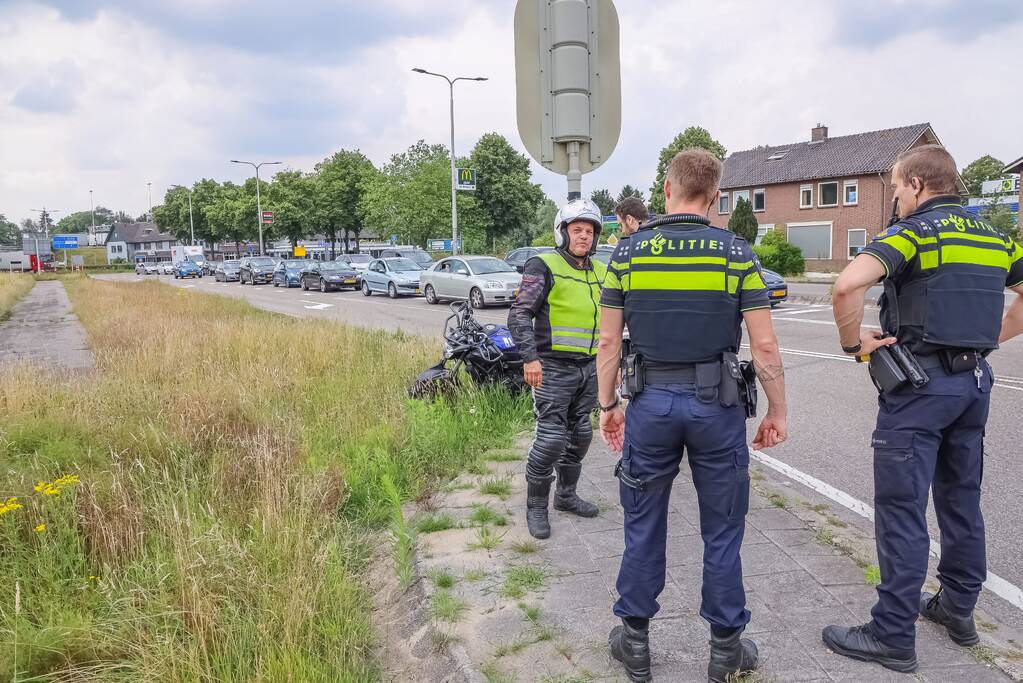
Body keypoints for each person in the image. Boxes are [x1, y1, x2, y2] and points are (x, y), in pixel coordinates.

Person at [824, 144, 1023, 673]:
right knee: (961, 502)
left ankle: (892, 635)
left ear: (916, 184)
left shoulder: (913, 232)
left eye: (894, 187)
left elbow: (847, 285)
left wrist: (853, 345)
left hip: (919, 390)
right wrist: (986, 338)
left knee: (902, 511)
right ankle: (957, 611)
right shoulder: (996, 237)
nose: (894, 196)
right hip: (974, 383)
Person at [596, 149, 788, 683]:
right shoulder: (735, 252)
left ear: (666, 189)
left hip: (651, 404)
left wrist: (609, 406)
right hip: (717, 407)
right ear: (717, 195)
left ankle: (635, 643)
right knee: (723, 529)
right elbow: (765, 346)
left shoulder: (630, 253)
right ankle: (726, 651)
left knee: (642, 522)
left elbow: (609, 339)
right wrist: (777, 410)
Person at [508, 198, 608, 539]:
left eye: (590, 231)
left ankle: (565, 497)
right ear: (563, 232)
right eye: (577, 230)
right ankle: (536, 507)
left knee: (581, 434)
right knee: (551, 438)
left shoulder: (599, 270)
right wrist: (530, 358)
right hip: (552, 367)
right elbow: (519, 313)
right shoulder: (543, 264)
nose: (584, 237)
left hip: (588, 367)